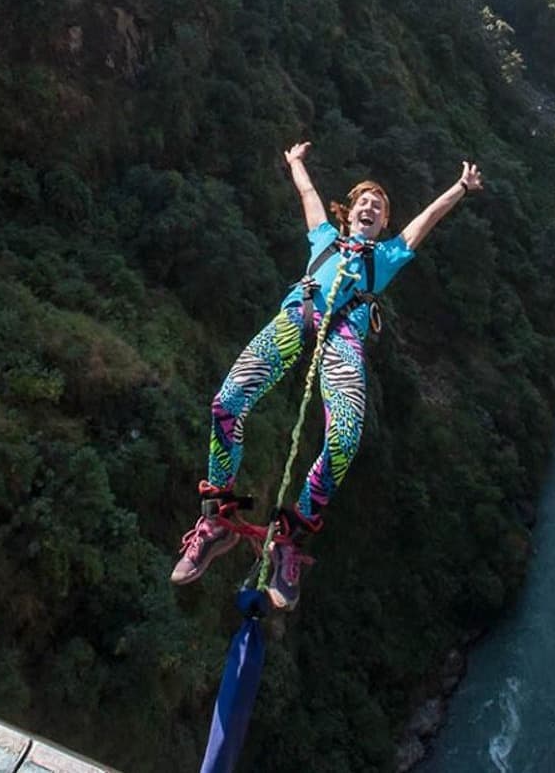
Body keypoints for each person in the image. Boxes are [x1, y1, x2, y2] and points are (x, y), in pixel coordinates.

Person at [171, 141, 483, 610]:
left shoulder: (386, 258)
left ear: (382, 224)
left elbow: (426, 221)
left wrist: (460, 187)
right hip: (296, 319)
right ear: (350, 213)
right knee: (227, 404)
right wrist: (296, 163)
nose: (370, 207)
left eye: (378, 207)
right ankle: (217, 519)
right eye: (363, 202)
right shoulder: (323, 238)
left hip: (342, 339)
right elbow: (308, 196)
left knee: (345, 437)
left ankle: (289, 541)